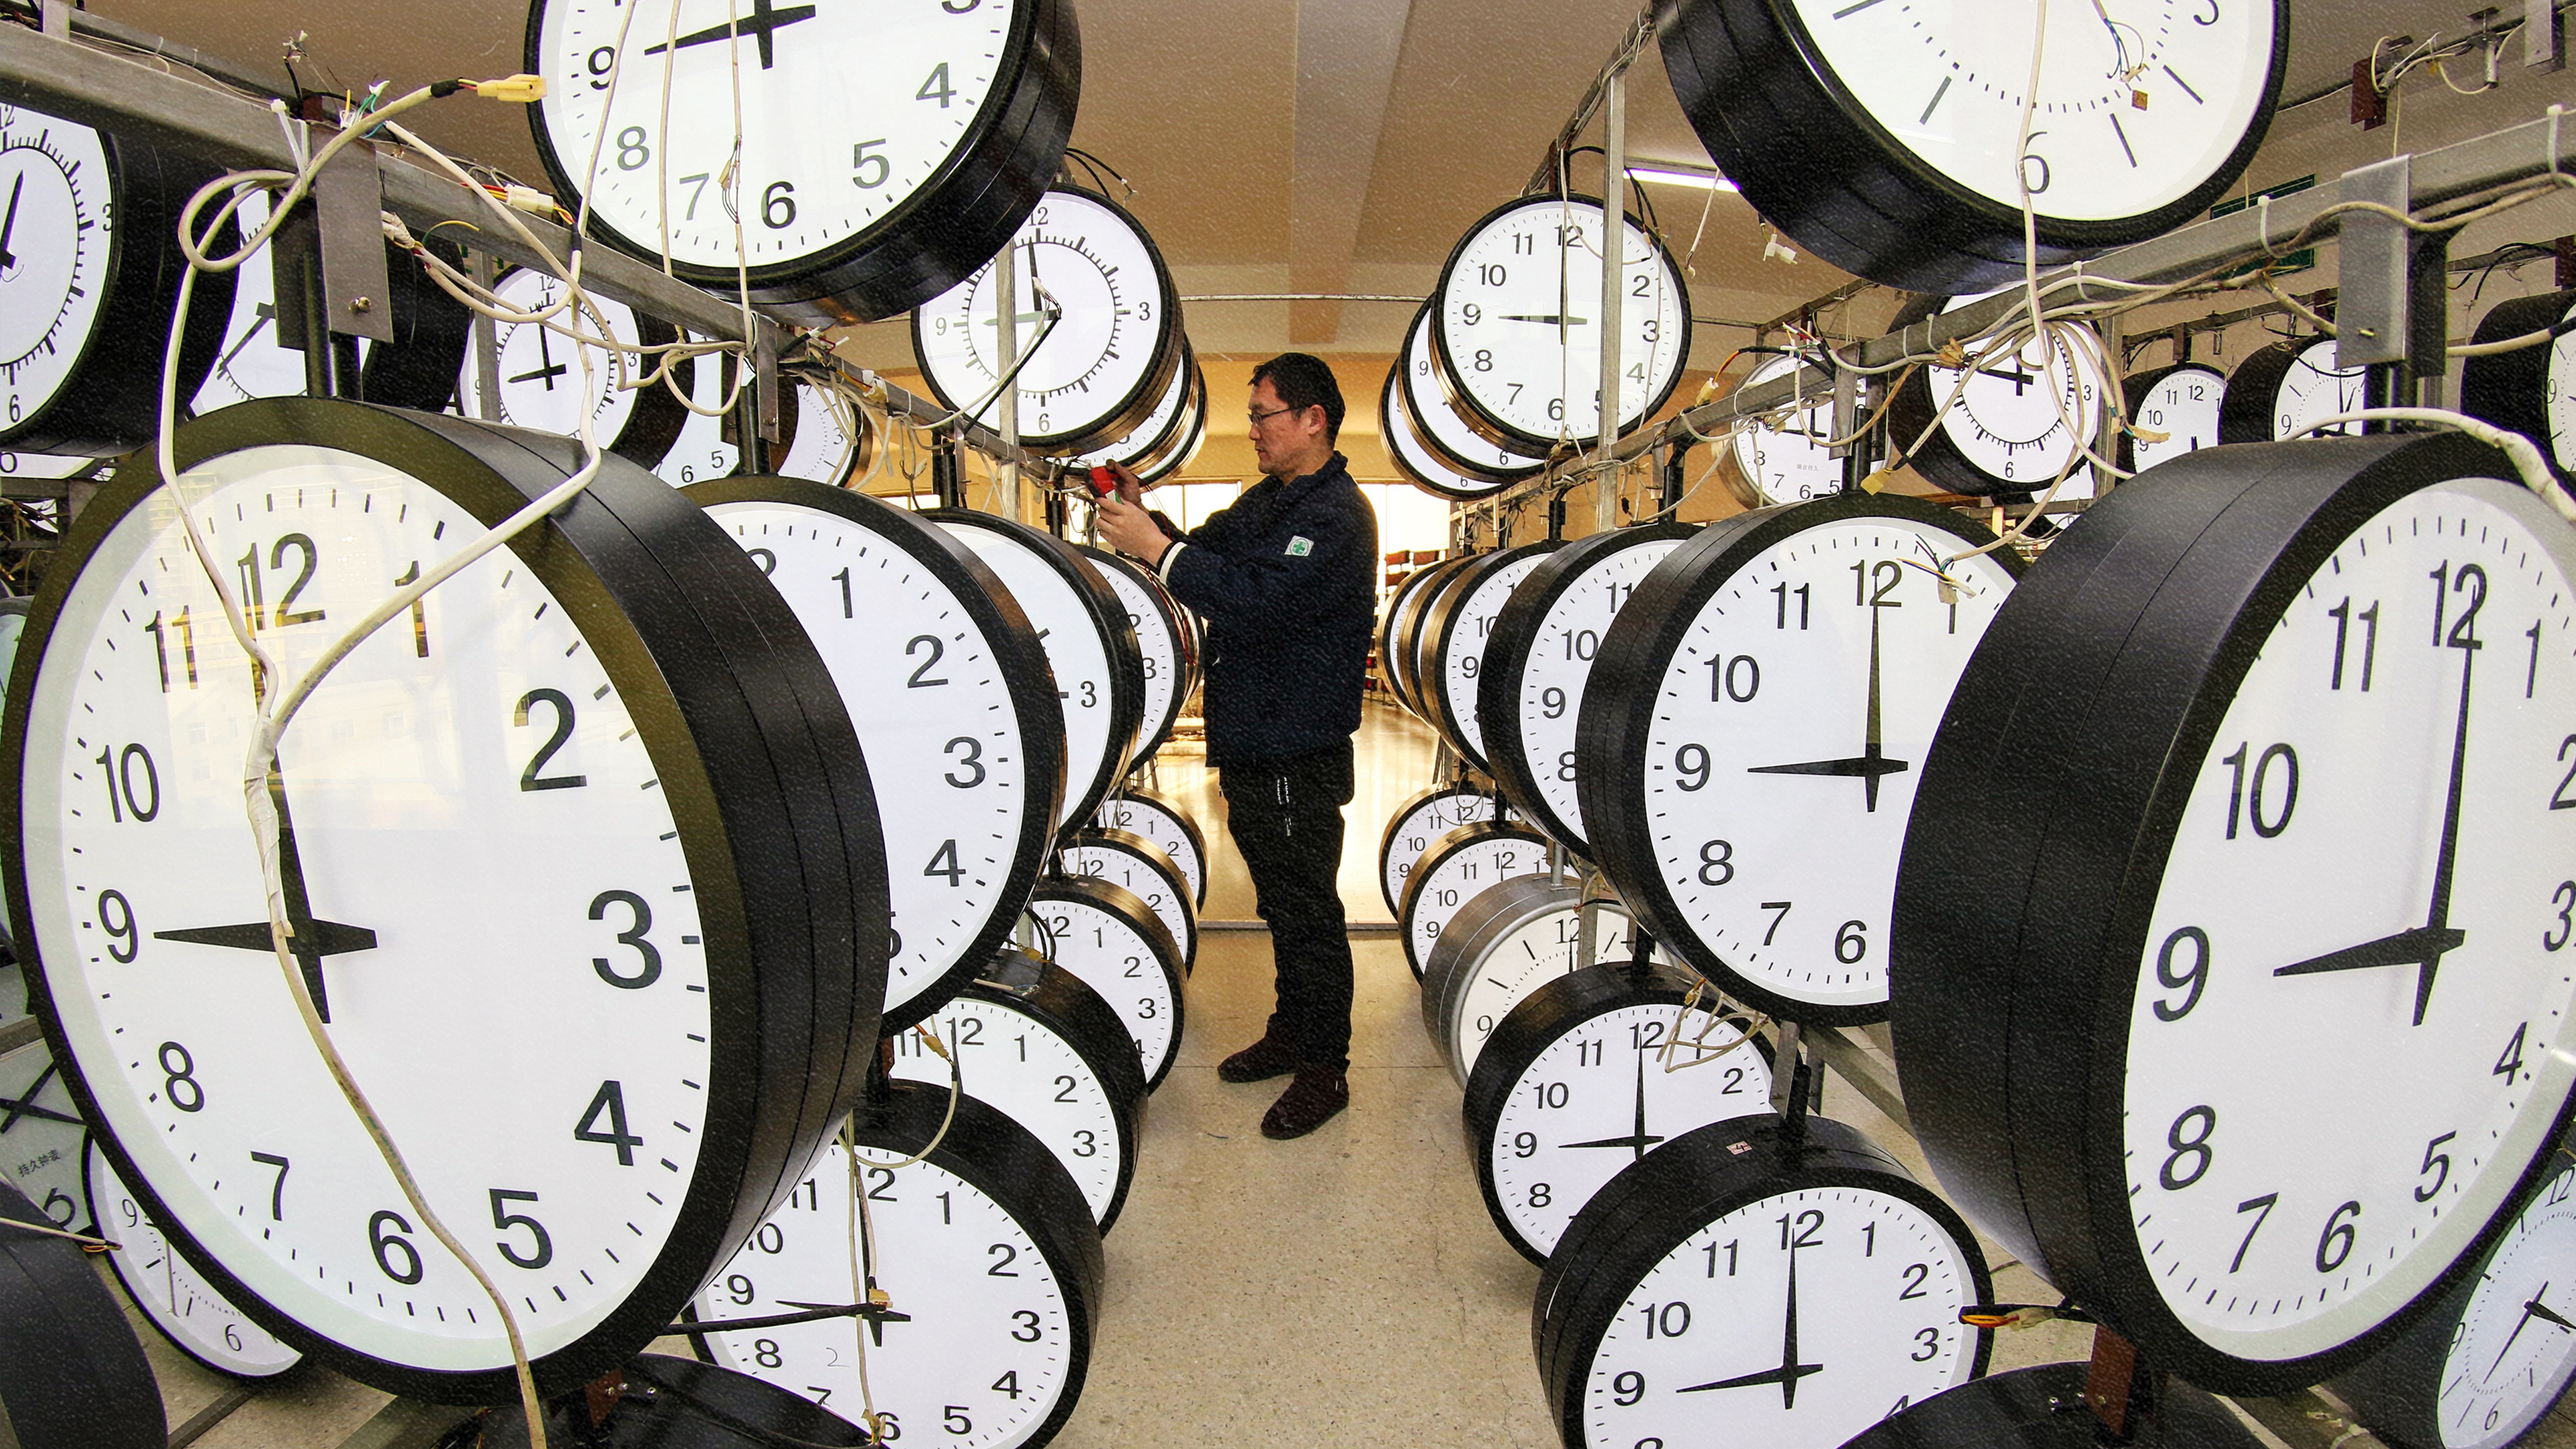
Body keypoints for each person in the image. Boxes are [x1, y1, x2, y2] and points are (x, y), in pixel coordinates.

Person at [1095, 353, 1377, 1139]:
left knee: (1307, 910)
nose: (1252, 430)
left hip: (1296, 746)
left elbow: (1261, 602)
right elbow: (1206, 553)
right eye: (1252, 417)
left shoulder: (1336, 515)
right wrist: (1148, 519)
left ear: (1312, 419)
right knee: (1279, 903)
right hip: (1256, 740)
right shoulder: (1269, 502)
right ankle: (1291, 1032)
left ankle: (1325, 1067)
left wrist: (1156, 550)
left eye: (1262, 415)